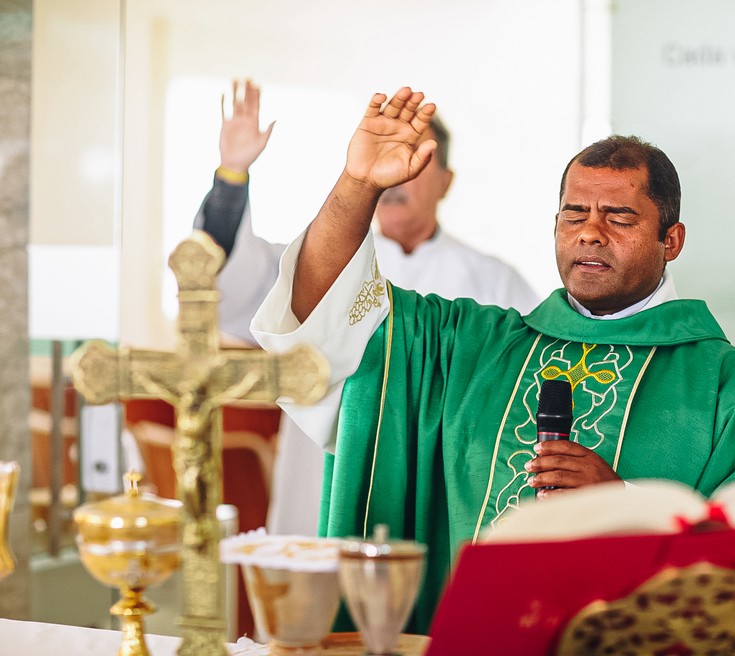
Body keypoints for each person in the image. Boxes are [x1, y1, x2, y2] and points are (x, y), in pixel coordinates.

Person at [251, 87, 735, 632]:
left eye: (620, 218)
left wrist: (627, 506)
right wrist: (357, 186)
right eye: (574, 215)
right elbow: (328, 311)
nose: (591, 233)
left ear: (672, 240)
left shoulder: (729, 387)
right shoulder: (471, 346)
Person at [194, 80, 539, 535]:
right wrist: (231, 177)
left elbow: (525, 387)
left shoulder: (493, 280)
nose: (397, 176)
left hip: (434, 489)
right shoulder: (317, 262)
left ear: (446, 181)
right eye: (387, 152)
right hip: (323, 481)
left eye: (414, 156)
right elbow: (229, 284)